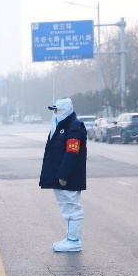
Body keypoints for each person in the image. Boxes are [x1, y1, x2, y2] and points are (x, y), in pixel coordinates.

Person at [39, 98, 87, 252]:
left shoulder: (73, 127)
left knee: (72, 208)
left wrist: (63, 176)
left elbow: (71, 154)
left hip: (67, 177)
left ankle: (73, 241)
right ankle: (70, 238)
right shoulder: (63, 125)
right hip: (61, 176)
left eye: (56, 110)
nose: (54, 113)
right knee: (68, 208)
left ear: (64, 110)